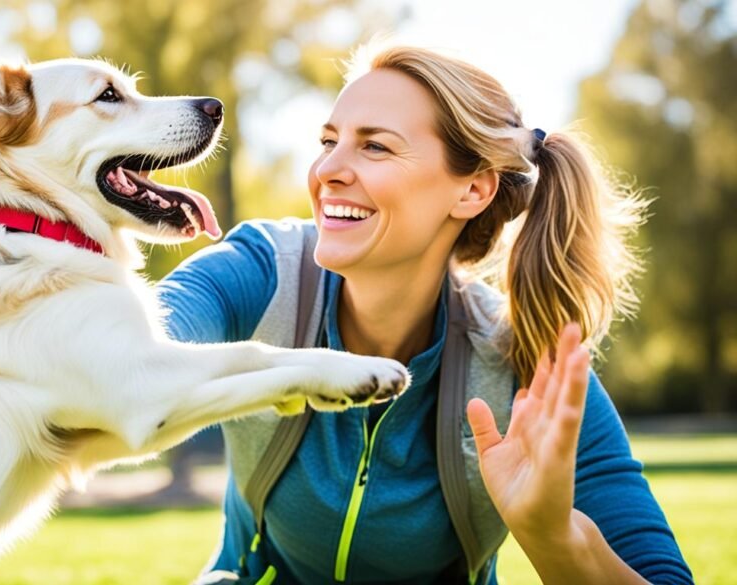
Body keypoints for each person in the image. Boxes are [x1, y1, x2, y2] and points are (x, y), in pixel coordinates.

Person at [156, 39, 693, 584]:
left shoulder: (522, 361)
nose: (326, 171)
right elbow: (141, 342)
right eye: (329, 140)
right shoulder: (262, 273)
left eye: (376, 148)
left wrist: (554, 541)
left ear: (473, 191)